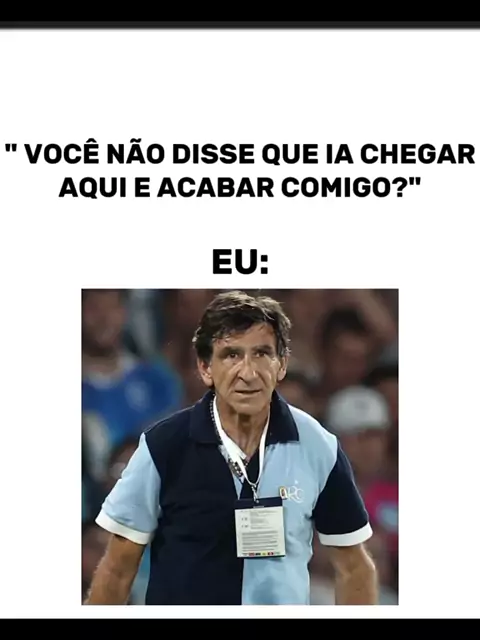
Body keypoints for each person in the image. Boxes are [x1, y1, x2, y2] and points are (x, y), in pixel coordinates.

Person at [85, 290, 377, 605]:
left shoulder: (318, 445)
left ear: (281, 365)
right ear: (205, 368)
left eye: (262, 354)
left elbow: (354, 567)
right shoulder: (163, 446)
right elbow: (117, 569)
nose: (247, 372)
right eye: (231, 355)